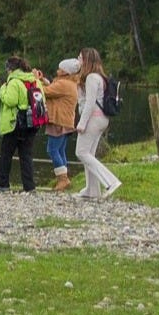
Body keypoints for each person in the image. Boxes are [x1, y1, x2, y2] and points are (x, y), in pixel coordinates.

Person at [74, 47, 121, 200]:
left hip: (94, 119)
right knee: (89, 154)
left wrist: (82, 123)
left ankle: (111, 181)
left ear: (86, 61)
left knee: (81, 152)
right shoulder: (100, 77)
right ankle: (92, 190)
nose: (78, 60)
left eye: (80, 58)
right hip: (101, 119)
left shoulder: (91, 78)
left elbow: (89, 103)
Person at [0, 55, 43, 191]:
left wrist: (2, 90)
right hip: (32, 123)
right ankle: (29, 186)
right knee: (26, 155)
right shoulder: (35, 81)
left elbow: (10, 100)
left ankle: (2, 184)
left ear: (10, 69)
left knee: (6, 154)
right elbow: (41, 99)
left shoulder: (14, 82)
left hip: (16, 123)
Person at [43, 58, 81, 191]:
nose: (57, 71)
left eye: (60, 69)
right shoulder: (70, 83)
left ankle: (62, 179)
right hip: (67, 122)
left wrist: (35, 82)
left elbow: (45, 92)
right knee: (60, 150)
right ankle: (64, 178)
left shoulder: (63, 84)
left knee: (52, 150)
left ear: (66, 72)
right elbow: (52, 87)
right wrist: (45, 81)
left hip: (59, 121)